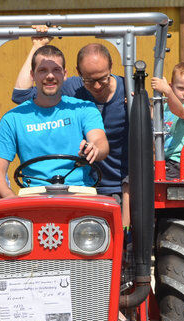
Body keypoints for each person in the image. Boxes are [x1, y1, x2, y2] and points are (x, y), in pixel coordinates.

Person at [12, 29, 126, 200]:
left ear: (111, 68)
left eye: (102, 78)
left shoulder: (129, 91)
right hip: (82, 184)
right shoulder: (73, 88)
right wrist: (38, 45)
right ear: (78, 73)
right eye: (89, 80)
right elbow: (20, 95)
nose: (96, 86)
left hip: (121, 183)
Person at [0, 44, 109, 199]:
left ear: (65, 74)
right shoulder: (13, 118)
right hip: (33, 196)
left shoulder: (84, 109)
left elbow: (100, 141)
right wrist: (11, 199)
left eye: (56, 70)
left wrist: (95, 149)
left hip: (79, 194)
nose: (50, 76)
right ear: (32, 75)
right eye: (43, 70)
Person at [151, 61, 184, 180]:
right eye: (181, 88)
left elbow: (180, 112)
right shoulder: (164, 107)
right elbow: (151, 114)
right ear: (171, 86)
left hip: (179, 163)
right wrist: (138, 102)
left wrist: (168, 92)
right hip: (162, 159)